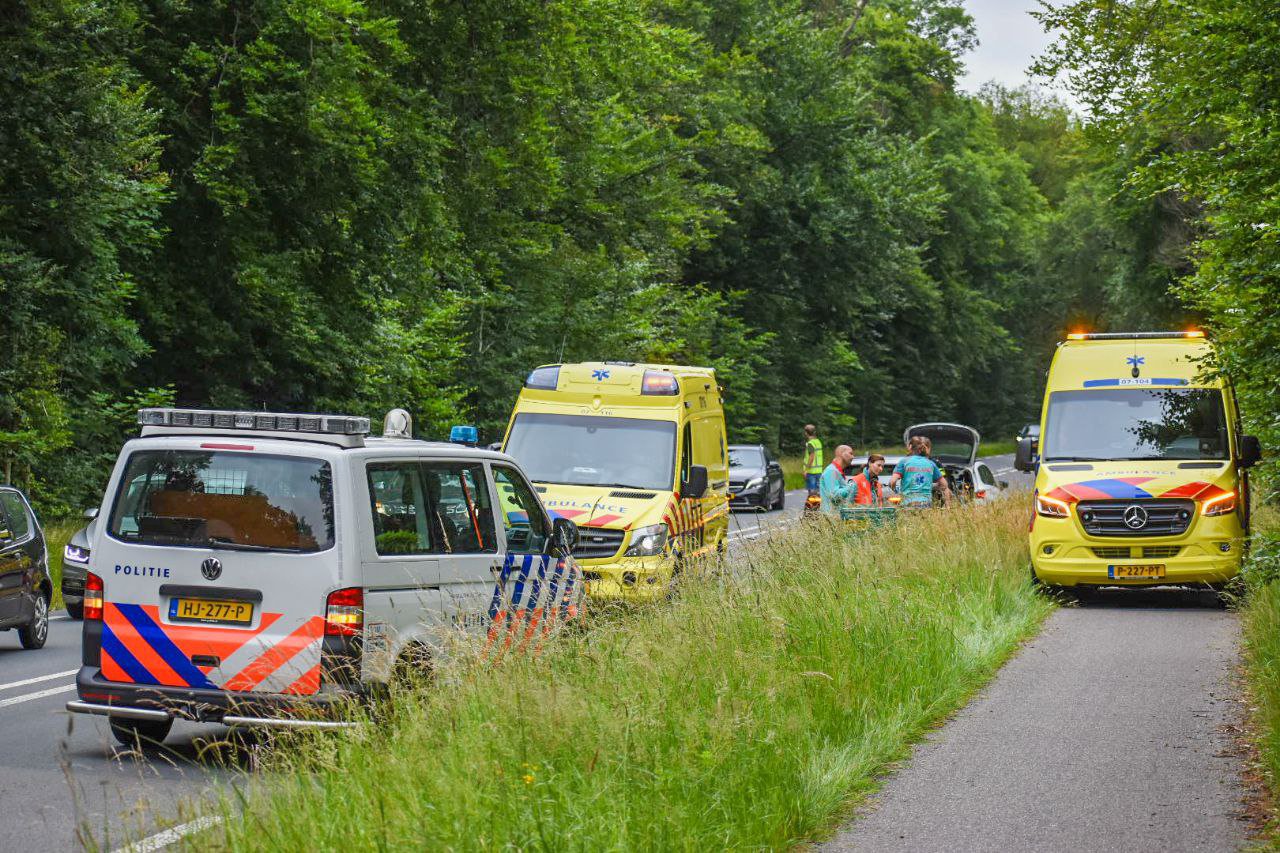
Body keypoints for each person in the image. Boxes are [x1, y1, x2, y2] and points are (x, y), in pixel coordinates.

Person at [890, 436, 951, 508]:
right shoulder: (931, 463)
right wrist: (930, 486)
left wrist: (896, 491)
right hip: (926, 503)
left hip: (908, 503)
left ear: (910, 447)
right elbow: (944, 485)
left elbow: (893, 481)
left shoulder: (904, 462)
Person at [819, 444, 857, 514]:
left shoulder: (836, 471)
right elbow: (835, 495)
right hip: (831, 517)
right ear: (841, 453)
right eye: (850, 453)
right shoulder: (832, 471)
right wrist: (851, 485)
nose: (853, 457)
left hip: (836, 516)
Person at [803, 424, 823, 496]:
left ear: (806, 433)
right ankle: (818, 506)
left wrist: (806, 470)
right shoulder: (818, 442)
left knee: (812, 493)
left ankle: (812, 507)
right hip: (819, 471)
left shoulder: (810, 443)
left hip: (811, 472)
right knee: (818, 492)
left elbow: (812, 456)